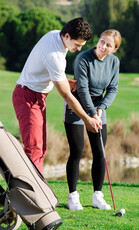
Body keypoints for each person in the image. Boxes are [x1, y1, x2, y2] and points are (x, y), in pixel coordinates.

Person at [12, 18, 101, 174]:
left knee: (41, 148)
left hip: (36, 96)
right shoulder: (54, 55)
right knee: (34, 148)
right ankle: (31, 194)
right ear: (67, 36)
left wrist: (64, 79)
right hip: (28, 97)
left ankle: (35, 190)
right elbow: (66, 95)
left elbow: (45, 68)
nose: (79, 49)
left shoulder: (54, 35)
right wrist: (87, 120)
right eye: (77, 44)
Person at [64, 29, 122, 210]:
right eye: (102, 41)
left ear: (114, 49)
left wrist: (100, 110)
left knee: (99, 152)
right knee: (77, 150)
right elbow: (82, 89)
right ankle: (72, 196)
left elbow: (113, 88)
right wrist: (91, 114)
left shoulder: (114, 62)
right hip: (77, 106)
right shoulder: (83, 58)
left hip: (97, 109)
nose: (103, 46)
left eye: (109, 45)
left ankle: (97, 196)